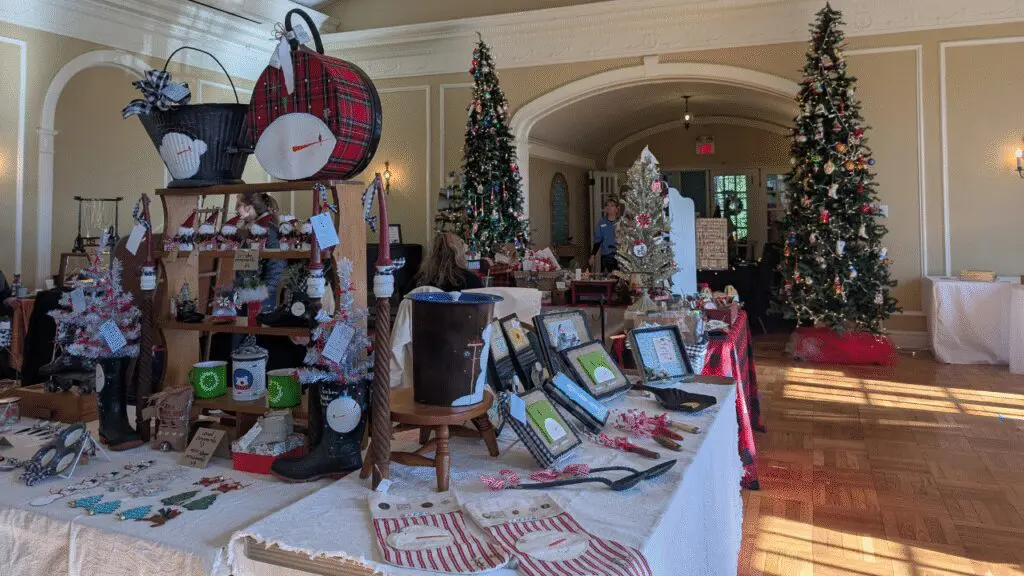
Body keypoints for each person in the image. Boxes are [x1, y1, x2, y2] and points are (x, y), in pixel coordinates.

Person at [236, 191, 285, 312]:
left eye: (240, 206)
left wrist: (263, 293)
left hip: (261, 296)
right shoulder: (249, 230)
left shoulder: (269, 231)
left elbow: (277, 265)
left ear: (251, 207)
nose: (237, 210)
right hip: (246, 293)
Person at [413, 233, 483, 292]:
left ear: (432, 253)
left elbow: (404, 305)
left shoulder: (418, 281)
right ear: (459, 253)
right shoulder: (470, 281)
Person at [591, 198, 620, 273]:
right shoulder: (602, 222)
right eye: (607, 206)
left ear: (617, 209)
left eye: (612, 206)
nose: (609, 207)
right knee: (606, 278)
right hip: (606, 256)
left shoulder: (621, 222)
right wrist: (593, 254)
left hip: (620, 256)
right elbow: (598, 239)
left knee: (619, 280)